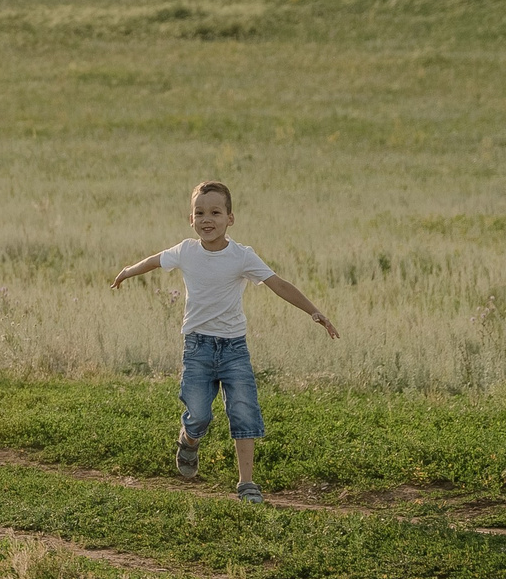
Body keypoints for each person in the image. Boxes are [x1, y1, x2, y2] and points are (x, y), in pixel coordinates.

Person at [110, 180, 338, 503]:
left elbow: (278, 284)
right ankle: (189, 439)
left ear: (230, 218)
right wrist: (126, 271)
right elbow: (153, 261)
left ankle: (247, 483)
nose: (207, 219)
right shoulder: (186, 251)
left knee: (244, 412)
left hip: (234, 349)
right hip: (197, 348)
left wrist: (314, 311)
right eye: (200, 213)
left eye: (215, 212)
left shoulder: (242, 256)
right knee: (199, 414)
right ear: (191, 219)